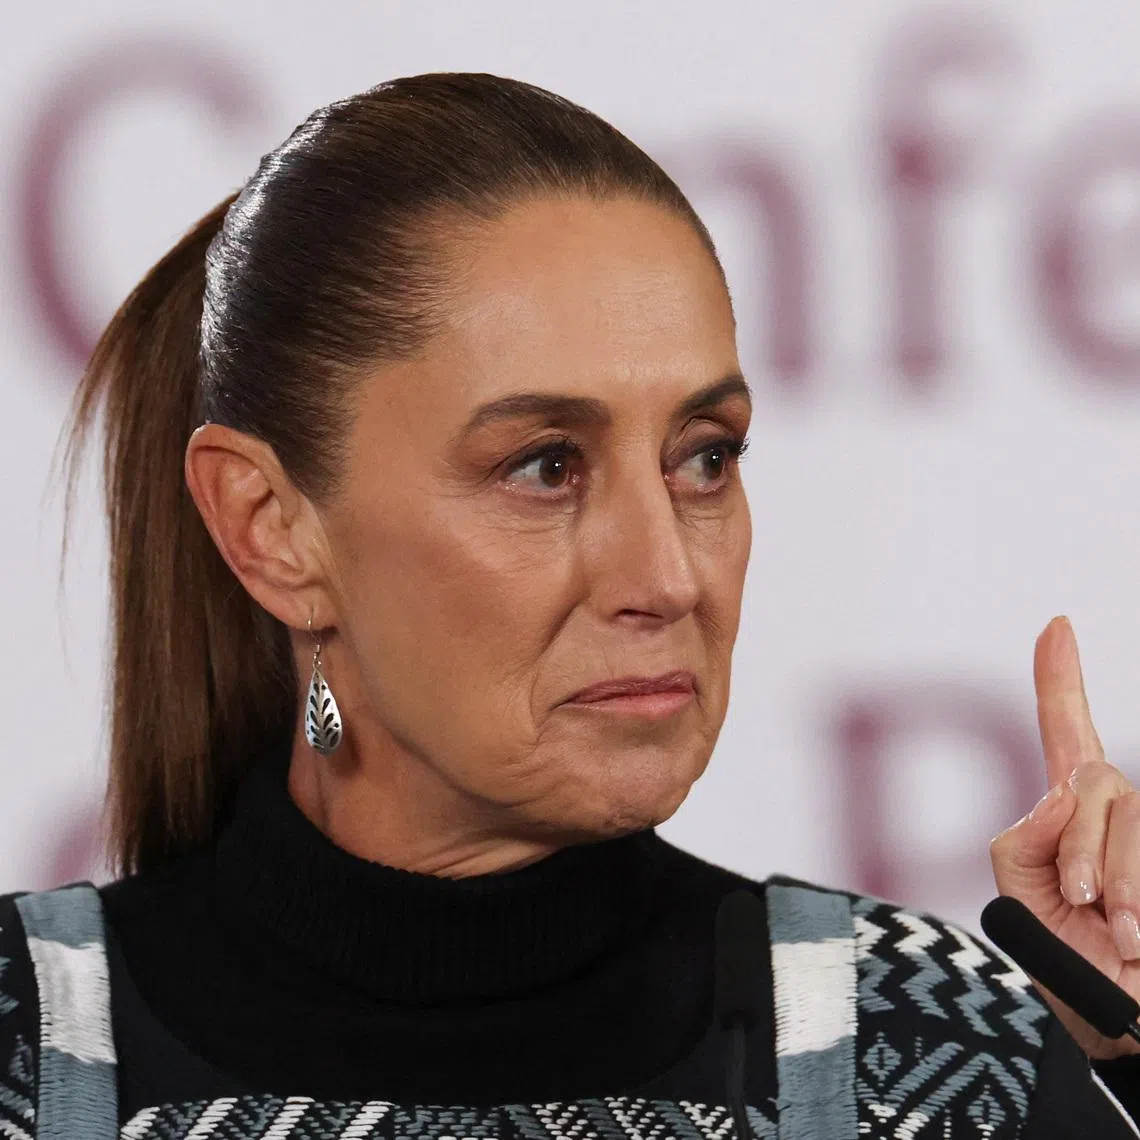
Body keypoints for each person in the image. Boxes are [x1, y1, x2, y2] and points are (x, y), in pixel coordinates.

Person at [0, 72, 1137, 1140]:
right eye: (546, 465)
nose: (666, 577)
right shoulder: (21, 1051)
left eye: (703, 458)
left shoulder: (936, 1058)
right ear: (269, 527)